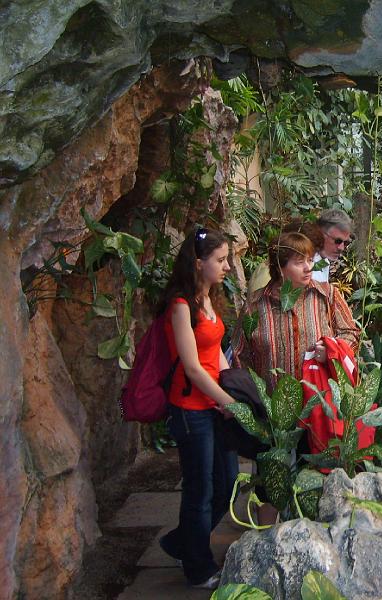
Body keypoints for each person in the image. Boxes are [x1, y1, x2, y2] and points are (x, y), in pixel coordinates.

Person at [230, 232, 359, 520]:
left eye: (309, 260)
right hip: (272, 415)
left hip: (318, 411)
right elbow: (240, 353)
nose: (308, 267)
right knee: (270, 485)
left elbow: (351, 333)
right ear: (280, 266)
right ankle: (265, 539)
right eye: (299, 262)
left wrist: (332, 351)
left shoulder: (327, 296)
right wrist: (254, 399)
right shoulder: (254, 306)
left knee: (312, 482)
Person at [157, 227, 239, 590]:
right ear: (198, 263)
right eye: (220, 260)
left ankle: (181, 543)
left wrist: (233, 388)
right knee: (200, 490)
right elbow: (192, 367)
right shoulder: (180, 306)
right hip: (191, 410)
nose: (227, 266)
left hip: (213, 405)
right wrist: (228, 401)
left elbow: (214, 350)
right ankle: (199, 567)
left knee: (228, 482)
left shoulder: (209, 298)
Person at [310, 208, 354, 282]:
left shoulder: (324, 261)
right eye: (338, 241)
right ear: (320, 233)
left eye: (346, 243)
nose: (341, 248)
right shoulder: (302, 261)